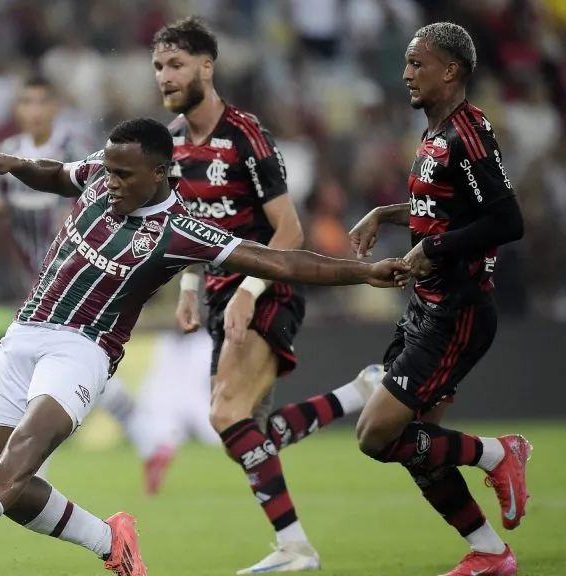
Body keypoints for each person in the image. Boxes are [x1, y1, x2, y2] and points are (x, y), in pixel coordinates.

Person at [0, 117, 410, 576]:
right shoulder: (100, 171)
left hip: (81, 349)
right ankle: (111, 542)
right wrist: (15, 166)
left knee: (23, 454)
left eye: (125, 175)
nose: (111, 181)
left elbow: (280, 263)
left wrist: (364, 272)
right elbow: (56, 175)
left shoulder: (180, 231)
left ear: (161, 173)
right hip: (22, 334)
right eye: (109, 169)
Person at [151, 16, 385, 572]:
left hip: (268, 287)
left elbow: (290, 232)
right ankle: (359, 392)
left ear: (206, 67)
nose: (164, 76)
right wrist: (190, 288)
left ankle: (295, 548)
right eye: (158, 66)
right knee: (245, 434)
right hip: (219, 293)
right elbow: (190, 226)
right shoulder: (175, 146)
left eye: (176, 65)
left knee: (226, 413)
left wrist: (248, 291)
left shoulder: (245, 135)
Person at [350, 23, 528, 576]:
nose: (405, 73)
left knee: (376, 435)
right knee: (413, 442)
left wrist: (435, 248)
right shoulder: (436, 134)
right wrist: (387, 213)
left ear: (450, 70)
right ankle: (490, 553)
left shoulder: (468, 132)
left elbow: (506, 219)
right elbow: (445, 208)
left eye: (416, 63)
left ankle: (500, 454)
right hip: (426, 307)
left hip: (458, 312)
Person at [0, 75, 170, 490]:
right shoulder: (10, 153)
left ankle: (36, 465)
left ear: (54, 108)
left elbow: (98, 196)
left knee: (65, 379)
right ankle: (149, 440)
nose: (33, 111)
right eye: (25, 102)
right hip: (40, 280)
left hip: (87, 280)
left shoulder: (75, 146)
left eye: (41, 102)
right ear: (19, 110)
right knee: (71, 380)